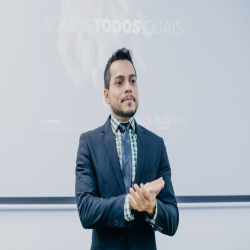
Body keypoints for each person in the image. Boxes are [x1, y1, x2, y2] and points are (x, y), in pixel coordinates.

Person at [75, 48, 179, 250]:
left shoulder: (157, 145)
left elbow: (172, 220)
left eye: (133, 81)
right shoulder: (89, 143)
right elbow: (86, 211)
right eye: (119, 82)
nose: (128, 88)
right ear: (106, 95)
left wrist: (152, 207)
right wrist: (131, 203)